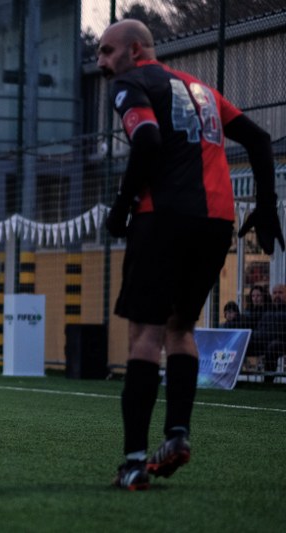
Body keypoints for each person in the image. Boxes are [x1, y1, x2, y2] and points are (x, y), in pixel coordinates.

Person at [97, 19, 285, 490]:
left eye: (106, 51)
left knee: (145, 334)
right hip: (216, 220)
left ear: (134, 50)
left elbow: (146, 138)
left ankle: (133, 463)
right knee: (181, 327)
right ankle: (177, 435)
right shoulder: (202, 89)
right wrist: (266, 206)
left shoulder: (131, 83)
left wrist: (120, 207)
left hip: (162, 216)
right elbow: (260, 140)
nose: (101, 62)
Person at [249, 284, 286, 381]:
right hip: (265, 339)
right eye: (275, 293)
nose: (277, 295)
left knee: (273, 346)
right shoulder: (267, 309)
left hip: (281, 341)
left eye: (280, 293)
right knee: (244, 343)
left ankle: (268, 381)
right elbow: (259, 328)